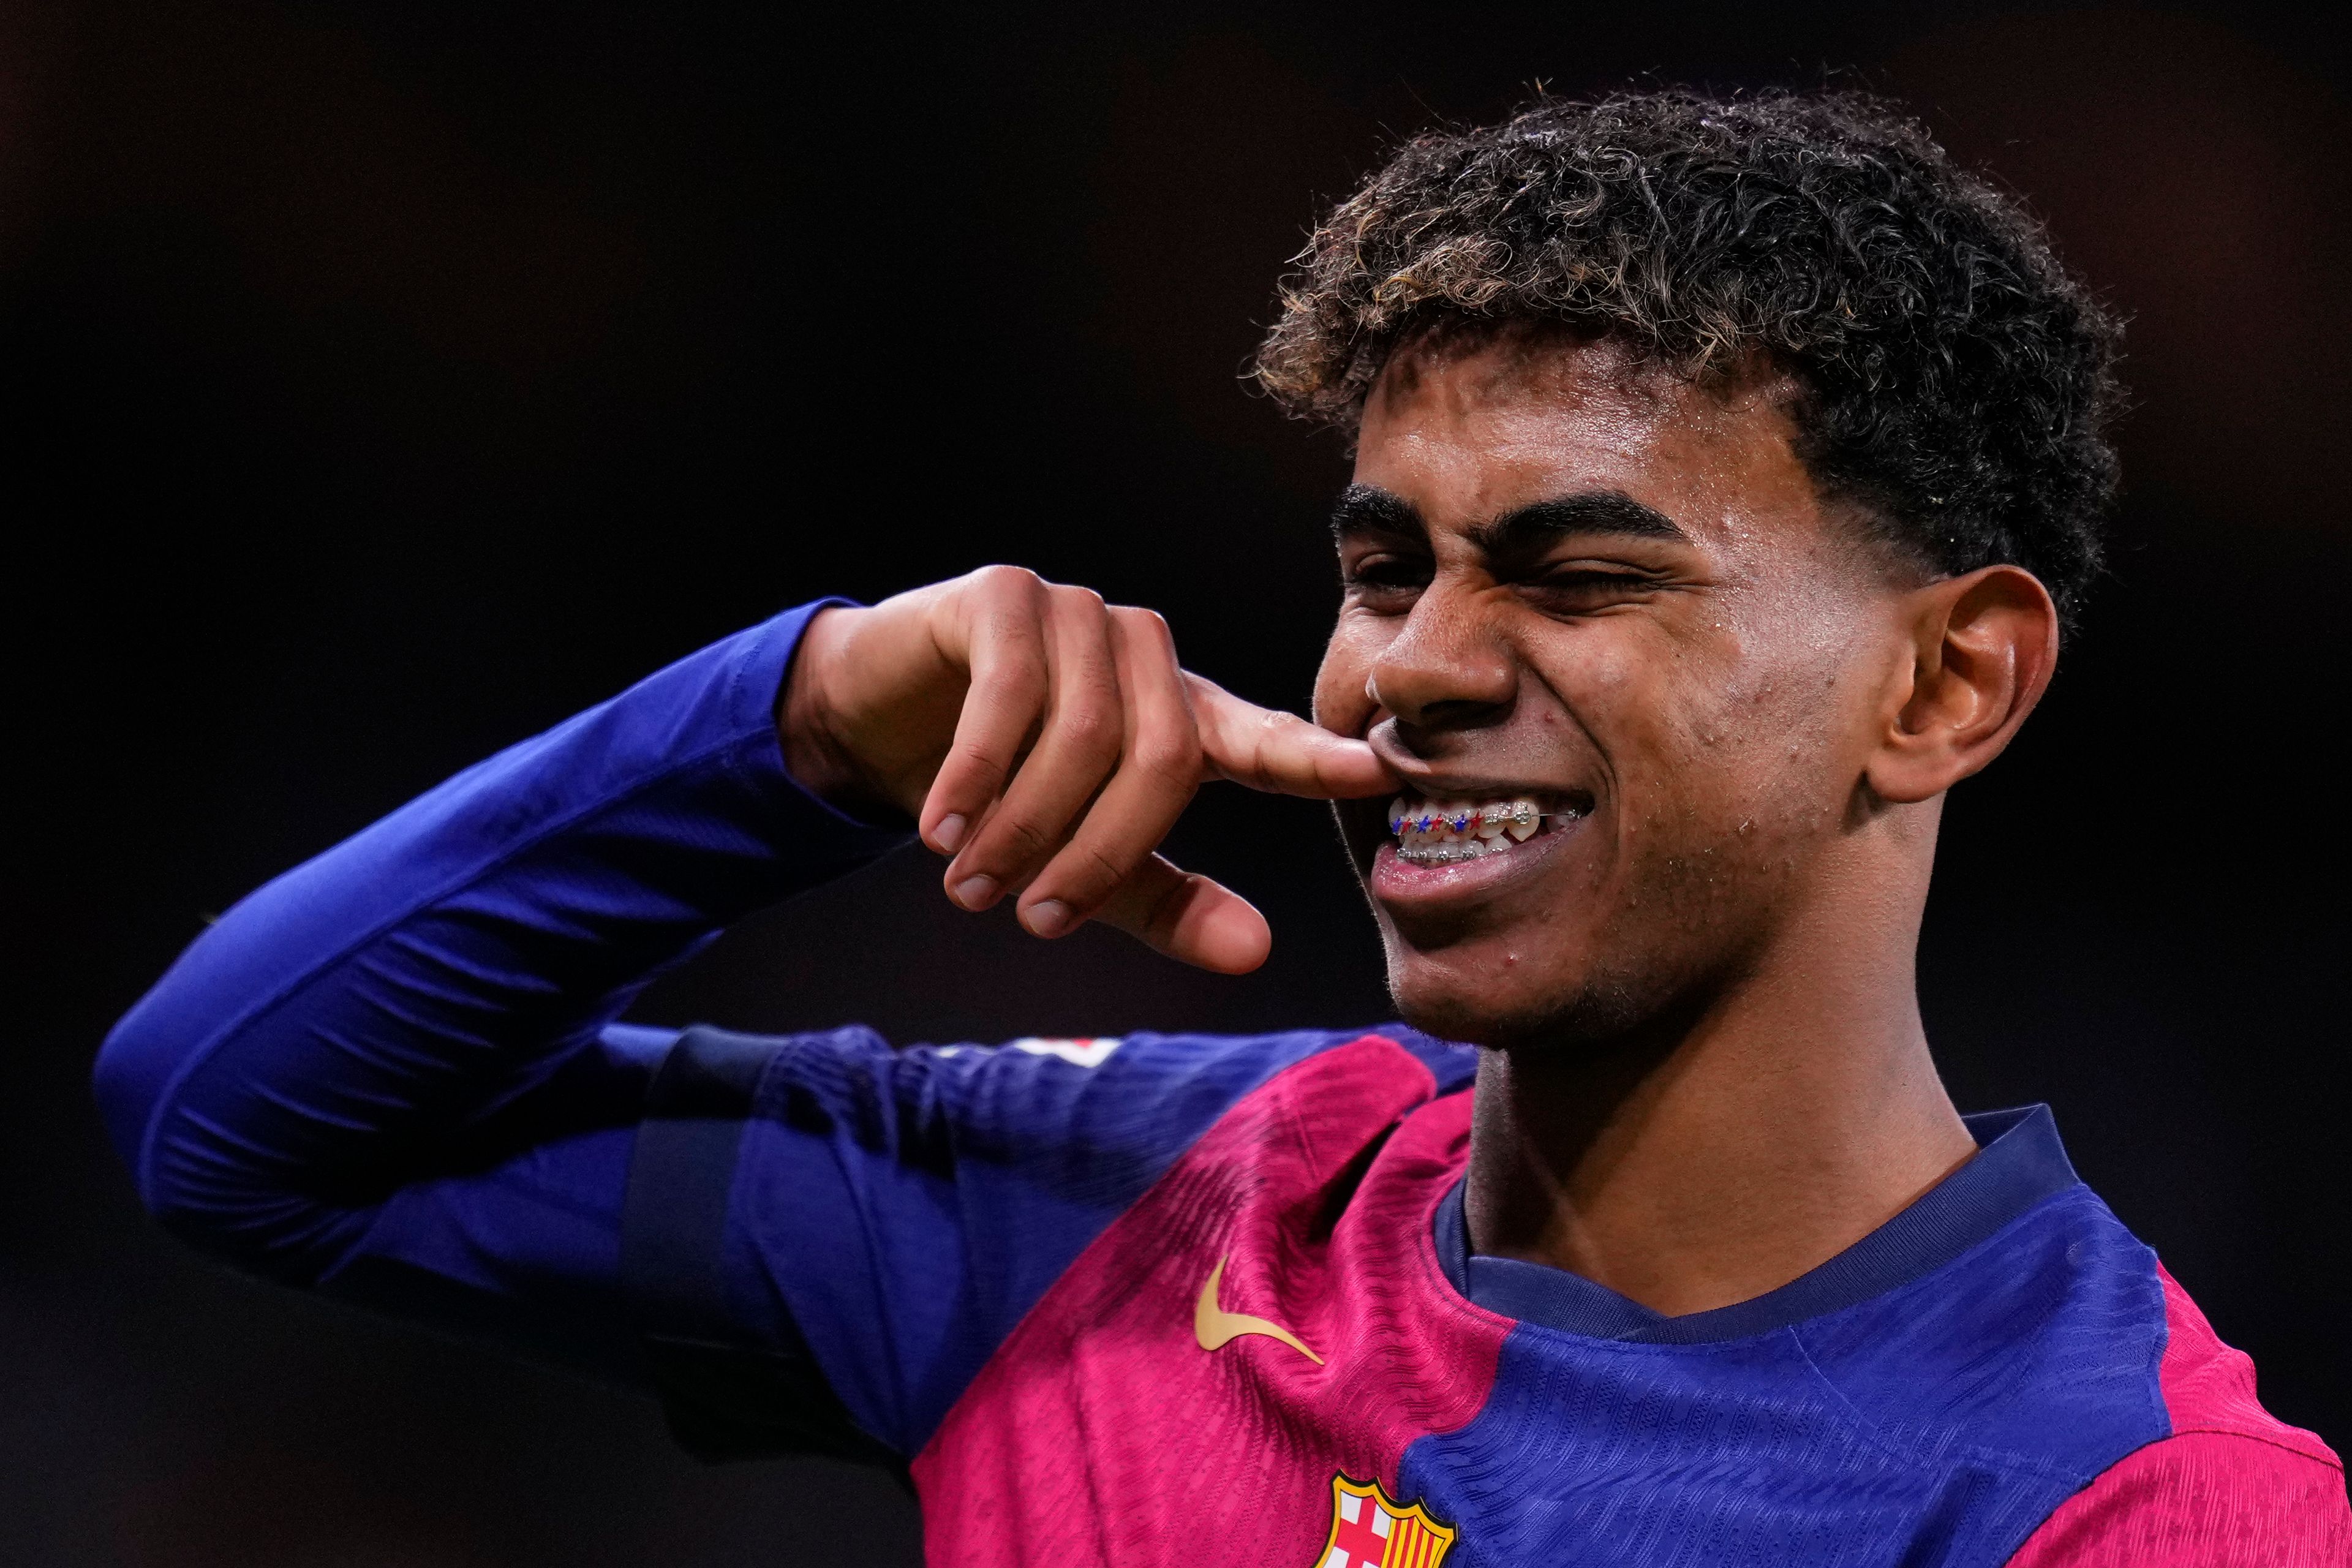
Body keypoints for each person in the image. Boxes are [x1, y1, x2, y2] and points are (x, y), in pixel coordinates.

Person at [94, 89, 2346, 1565]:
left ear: (1945, 683)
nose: (1409, 669)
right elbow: (237, 1119)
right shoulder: (1137, 1214)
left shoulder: (2130, 1504)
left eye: (1580, 576)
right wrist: (782, 726)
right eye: (1384, 569)